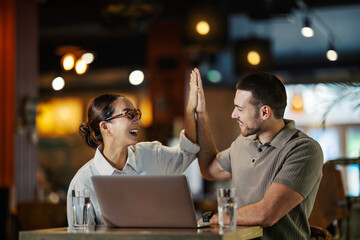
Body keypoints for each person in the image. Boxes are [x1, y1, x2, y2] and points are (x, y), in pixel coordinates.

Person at [192, 68, 323, 239]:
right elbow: (209, 169)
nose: (233, 114)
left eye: (240, 108)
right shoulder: (242, 143)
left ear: (264, 112)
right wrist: (201, 113)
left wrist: (215, 218)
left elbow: (267, 213)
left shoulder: (304, 150)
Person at [67, 70, 200, 226]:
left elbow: (188, 152)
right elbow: (81, 238)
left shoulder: (151, 155)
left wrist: (190, 108)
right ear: (105, 127)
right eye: (129, 114)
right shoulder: (82, 183)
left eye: (137, 114)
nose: (137, 120)